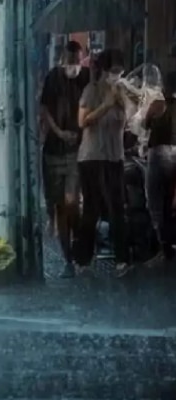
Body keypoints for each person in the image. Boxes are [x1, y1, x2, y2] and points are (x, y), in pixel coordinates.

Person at [75, 48, 132, 277]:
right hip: (92, 157)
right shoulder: (92, 90)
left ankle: (122, 260)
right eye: (114, 71)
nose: (117, 75)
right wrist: (106, 105)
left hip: (114, 156)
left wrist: (125, 100)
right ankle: (82, 258)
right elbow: (82, 121)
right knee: (92, 209)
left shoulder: (122, 92)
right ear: (105, 71)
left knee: (118, 208)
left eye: (120, 71)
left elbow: (133, 119)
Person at [39, 40, 91, 278]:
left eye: (77, 62)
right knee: (60, 206)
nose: (74, 66)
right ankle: (68, 258)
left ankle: (80, 245)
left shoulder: (87, 77)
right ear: (63, 60)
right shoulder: (53, 78)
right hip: (54, 150)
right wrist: (59, 132)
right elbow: (45, 109)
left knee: (71, 202)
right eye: (70, 62)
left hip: (77, 151)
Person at [142, 72, 176, 268]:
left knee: (155, 200)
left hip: (160, 154)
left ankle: (163, 249)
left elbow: (145, 124)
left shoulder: (158, 104)